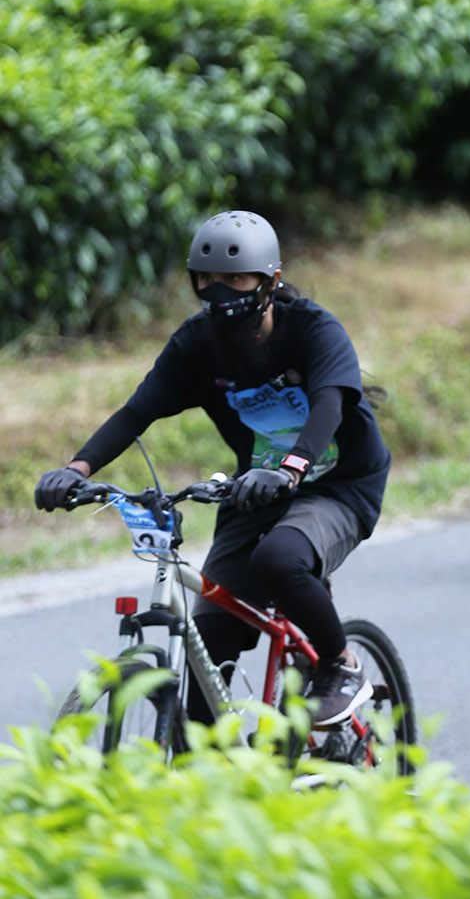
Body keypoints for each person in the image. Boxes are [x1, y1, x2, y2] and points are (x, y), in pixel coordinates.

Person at [34, 210, 391, 728]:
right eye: (208, 280)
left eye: (236, 279)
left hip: (339, 484)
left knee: (280, 559)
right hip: (255, 490)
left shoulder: (313, 330)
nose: (220, 292)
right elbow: (138, 413)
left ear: (270, 281)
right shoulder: (197, 345)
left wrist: (290, 470)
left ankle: (341, 664)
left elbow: (330, 405)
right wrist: (76, 468)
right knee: (208, 667)